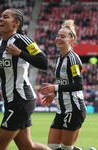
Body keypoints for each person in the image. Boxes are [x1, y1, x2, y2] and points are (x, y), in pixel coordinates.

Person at [0, 8, 50, 150]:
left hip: (21, 99)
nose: (0, 19)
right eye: (0, 17)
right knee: (27, 146)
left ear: (16, 24)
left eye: (5, 17)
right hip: (11, 101)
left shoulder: (22, 40)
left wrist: (19, 53)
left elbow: (43, 62)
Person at [40, 19, 86, 150]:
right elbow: (65, 83)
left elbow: (78, 85)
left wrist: (55, 87)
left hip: (74, 108)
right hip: (62, 109)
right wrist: (54, 93)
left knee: (66, 148)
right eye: (58, 36)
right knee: (52, 146)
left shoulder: (73, 59)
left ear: (71, 40)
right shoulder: (59, 58)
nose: (58, 38)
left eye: (63, 36)